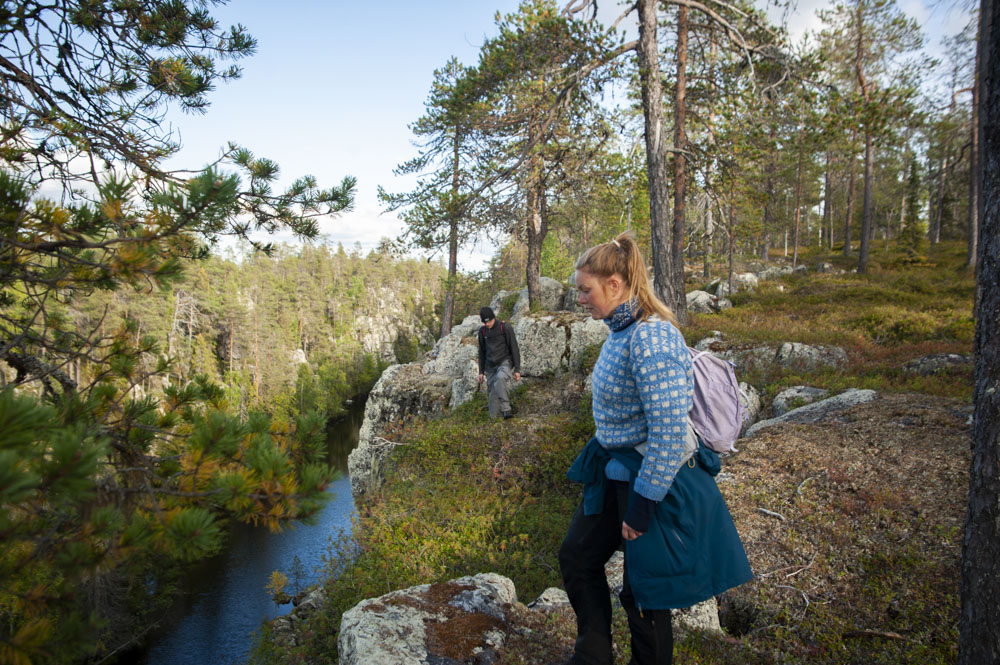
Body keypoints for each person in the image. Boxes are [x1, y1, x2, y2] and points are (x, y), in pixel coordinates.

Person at [558, 232, 753, 665]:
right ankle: (592, 655)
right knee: (578, 556)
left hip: (650, 479)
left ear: (614, 283)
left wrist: (643, 506)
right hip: (616, 471)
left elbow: (667, 431)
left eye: (585, 290)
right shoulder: (620, 330)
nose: (581, 299)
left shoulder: (652, 337)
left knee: (644, 592)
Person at [477, 306, 521, 419]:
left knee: (500, 378)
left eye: (489, 321)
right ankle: (495, 420)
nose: (487, 324)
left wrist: (517, 370)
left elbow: (514, 348)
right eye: (484, 322)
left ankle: (506, 410)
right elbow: (481, 352)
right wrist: (481, 371)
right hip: (490, 366)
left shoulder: (505, 327)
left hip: (504, 361)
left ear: (493, 318)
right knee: (492, 393)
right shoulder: (482, 332)